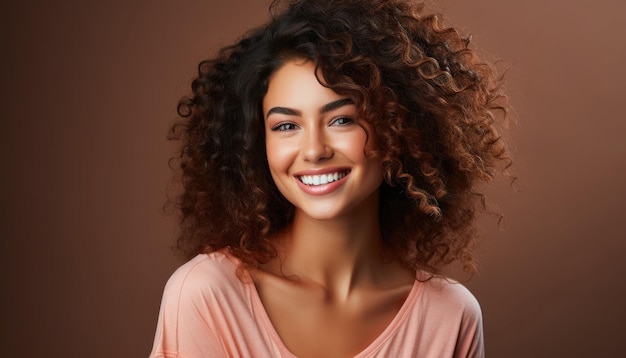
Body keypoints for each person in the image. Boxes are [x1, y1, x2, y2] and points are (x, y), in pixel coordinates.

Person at [149, 0, 513, 357]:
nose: (314, 150)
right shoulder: (207, 295)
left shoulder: (449, 317)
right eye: (287, 125)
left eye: (341, 119)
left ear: (398, 127)